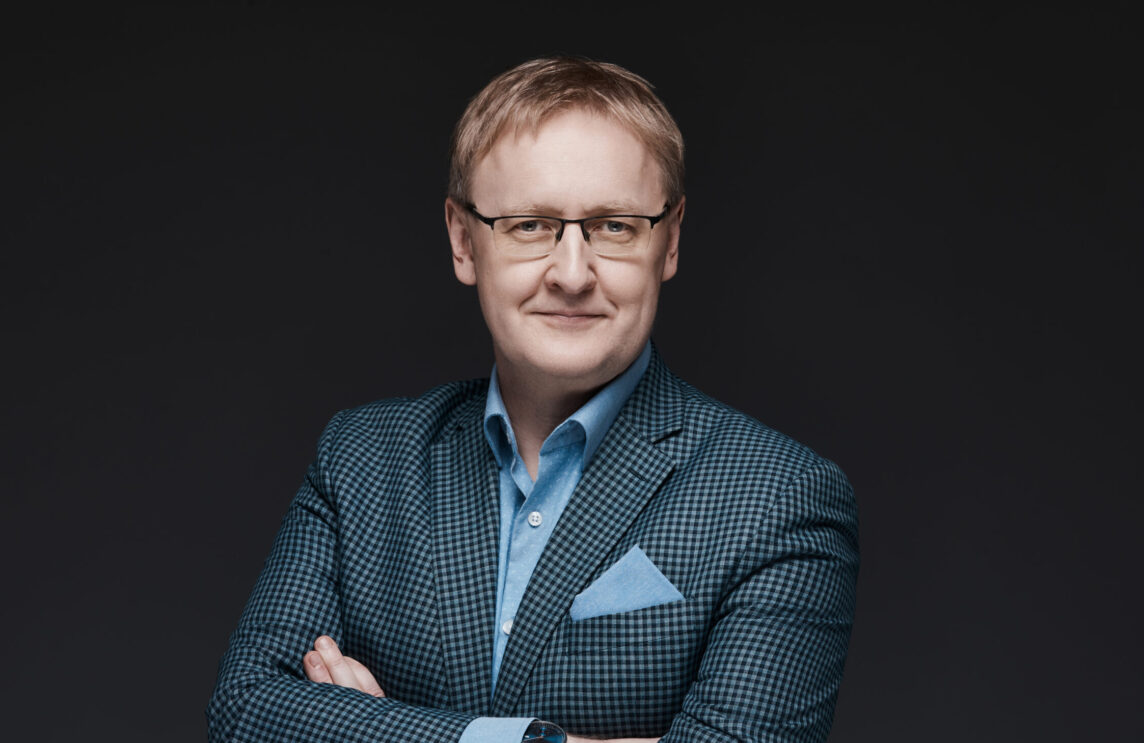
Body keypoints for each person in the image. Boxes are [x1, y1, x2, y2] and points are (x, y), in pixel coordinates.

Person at [207, 56, 859, 743]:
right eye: (529, 225)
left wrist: (366, 728)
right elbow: (246, 710)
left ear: (669, 240)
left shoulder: (781, 498)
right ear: (463, 241)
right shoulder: (362, 459)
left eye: (615, 225)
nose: (572, 274)